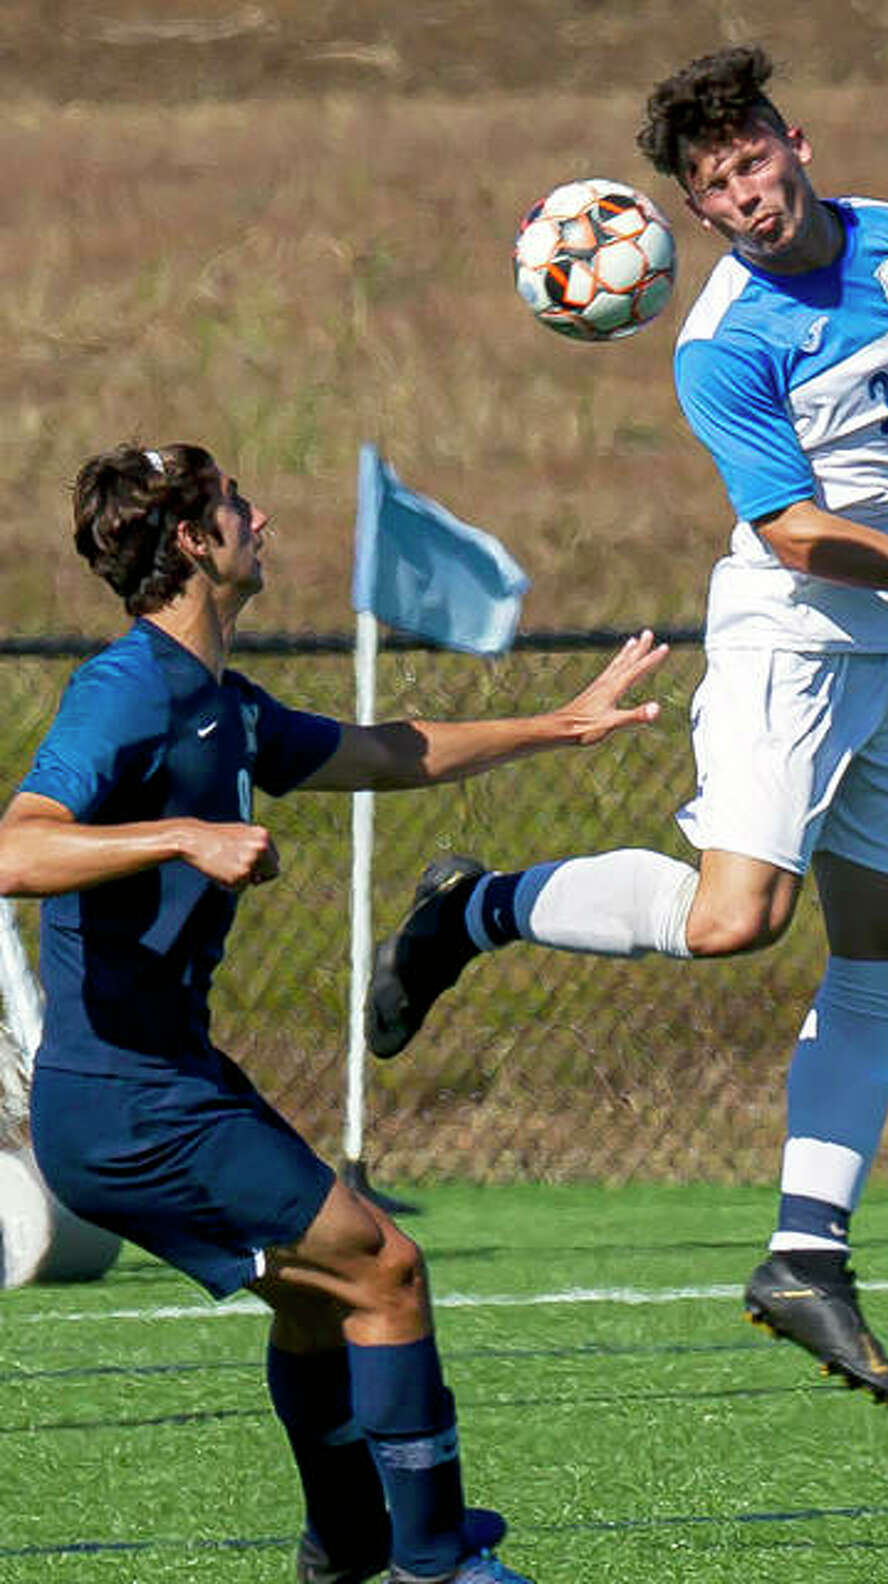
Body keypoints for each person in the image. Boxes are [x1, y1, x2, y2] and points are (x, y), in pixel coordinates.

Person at [365, 44, 888, 1411]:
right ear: (697, 216)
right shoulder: (723, 344)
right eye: (716, 186)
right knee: (738, 922)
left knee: (886, 941)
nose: (745, 193)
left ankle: (805, 1257)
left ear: (798, 144)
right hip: (795, 635)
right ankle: (473, 908)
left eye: (753, 160)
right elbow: (800, 536)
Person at [0, 442, 668, 1583]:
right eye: (234, 507)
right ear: (195, 544)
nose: (261, 517)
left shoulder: (224, 704)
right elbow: (16, 845)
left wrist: (558, 725)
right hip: (125, 1096)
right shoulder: (125, 689)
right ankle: (435, 1563)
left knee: (316, 1308)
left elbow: (389, 750)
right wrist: (181, 834)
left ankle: (348, 1546)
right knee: (385, 1269)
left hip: (166, 1079)